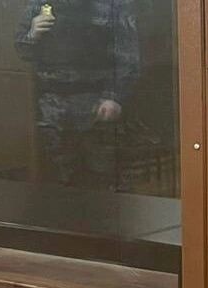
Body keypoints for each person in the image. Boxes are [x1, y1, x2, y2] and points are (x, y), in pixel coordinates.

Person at [15, 0, 140, 189]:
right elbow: (22, 50)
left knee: (102, 175)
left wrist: (114, 96)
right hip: (51, 106)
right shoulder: (39, 4)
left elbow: (128, 56)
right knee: (56, 177)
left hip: (96, 103)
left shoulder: (112, 4)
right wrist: (33, 34)